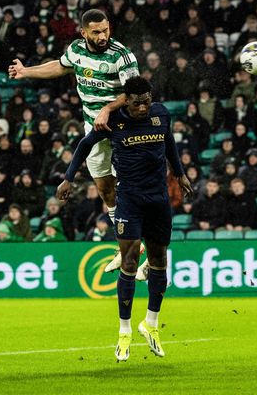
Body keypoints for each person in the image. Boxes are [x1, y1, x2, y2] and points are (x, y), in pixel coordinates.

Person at [56, 77, 192, 362]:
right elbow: (84, 145)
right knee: (129, 261)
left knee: (159, 261)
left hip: (158, 200)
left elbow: (168, 143)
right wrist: (68, 178)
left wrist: (179, 174)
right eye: (137, 102)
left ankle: (151, 325)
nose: (143, 107)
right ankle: (124, 330)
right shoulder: (113, 120)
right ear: (126, 99)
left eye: (147, 101)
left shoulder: (161, 114)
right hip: (129, 199)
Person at [9, 8, 139, 272]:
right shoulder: (76, 51)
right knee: (104, 188)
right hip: (94, 129)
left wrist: (108, 108)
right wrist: (26, 71)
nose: (103, 36)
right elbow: (59, 65)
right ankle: (124, 243)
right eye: (96, 32)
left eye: (105, 30)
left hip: (123, 128)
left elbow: (135, 94)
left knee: (127, 188)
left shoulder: (122, 56)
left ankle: (136, 244)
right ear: (84, 33)